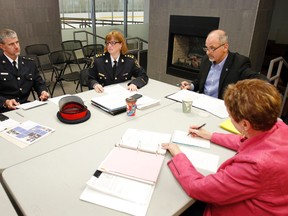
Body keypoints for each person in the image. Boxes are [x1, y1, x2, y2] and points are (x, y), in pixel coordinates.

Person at [162, 79, 288, 216]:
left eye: (230, 116)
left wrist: (178, 155)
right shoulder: (279, 127)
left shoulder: (254, 166)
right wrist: (210, 136)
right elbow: (248, 141)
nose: (229, 117)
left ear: (245, 125)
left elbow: (197, 188)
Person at [179, 29, 267, 99]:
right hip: (202, 103)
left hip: (222, 108)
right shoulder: (206, 59)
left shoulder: (239, 62)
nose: (208, 53)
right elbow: (200, 81)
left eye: (212, 48)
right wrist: (191, 86)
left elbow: (257, 79)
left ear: (225, 47)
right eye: (206, 48)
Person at [0, 28, 49, 113]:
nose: (16, 47)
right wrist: (5, 102)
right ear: (2, 46)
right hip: (4, 110)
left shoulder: (29, 63)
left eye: (17, 42)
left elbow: (39, 83)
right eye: (11, 44)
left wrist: (43, 92)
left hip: (25, 107)